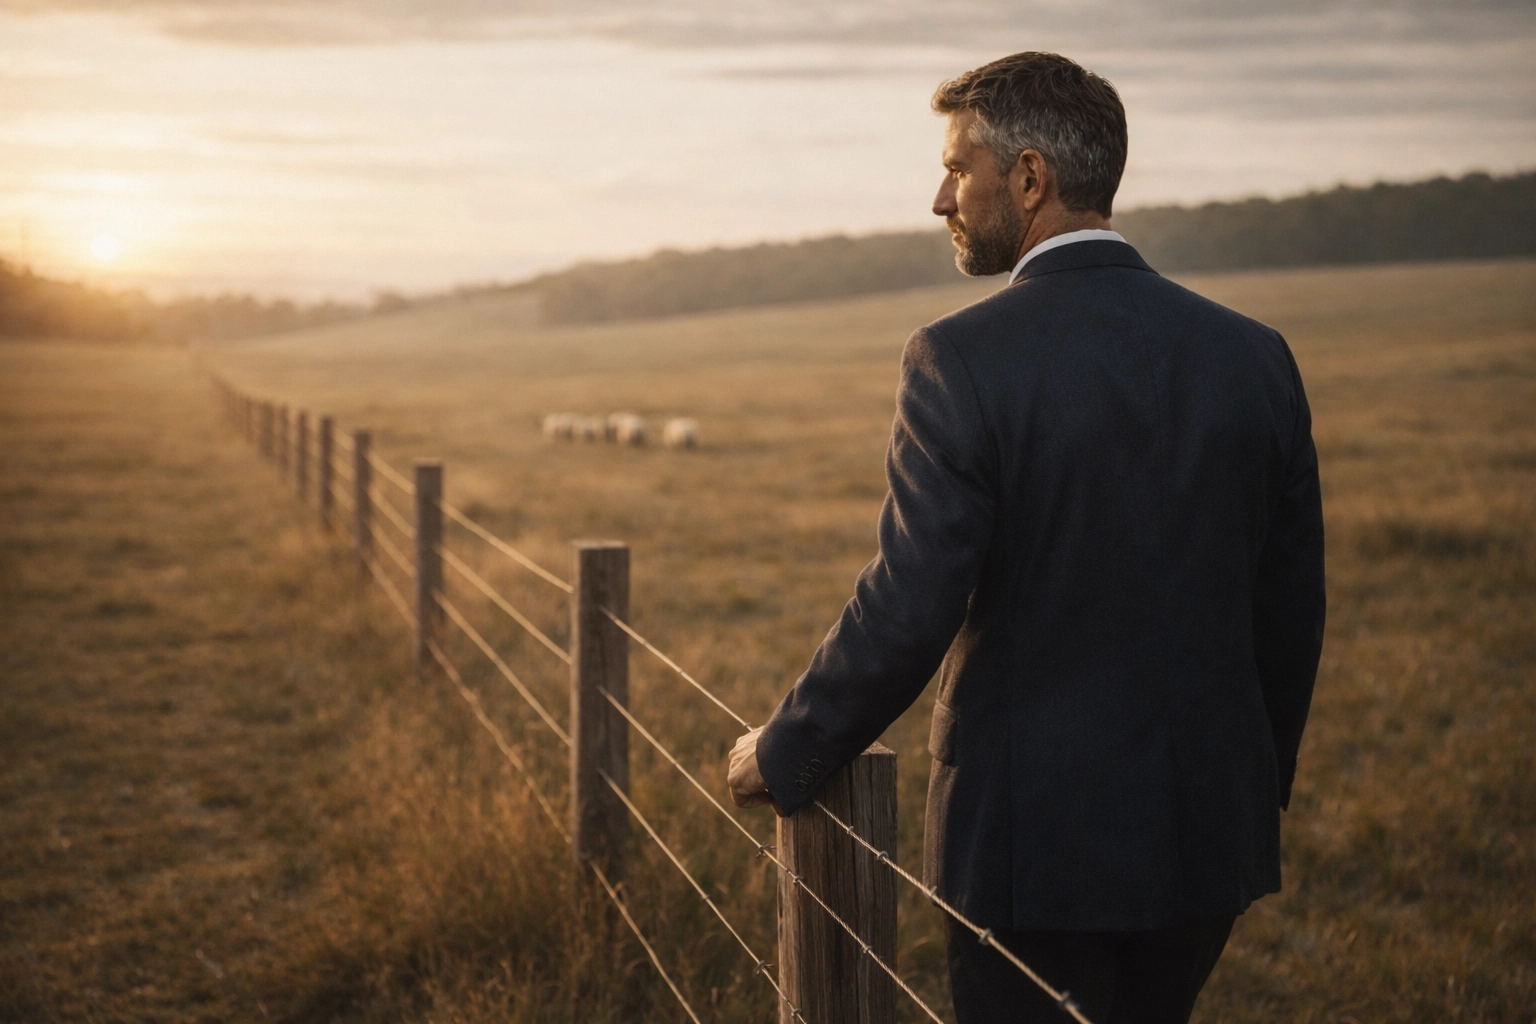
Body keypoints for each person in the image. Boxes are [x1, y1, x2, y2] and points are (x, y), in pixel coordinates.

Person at [725, 51, 1325, 1023]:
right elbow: (1290, 605)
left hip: (1030, 848)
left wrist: (788, 746)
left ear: (1031, 178)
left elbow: (910, 600)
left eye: (959, 168)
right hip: (1212, 832)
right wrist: (1248, 785)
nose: (938, 198)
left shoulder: (958, 359)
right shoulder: (1256, 355)